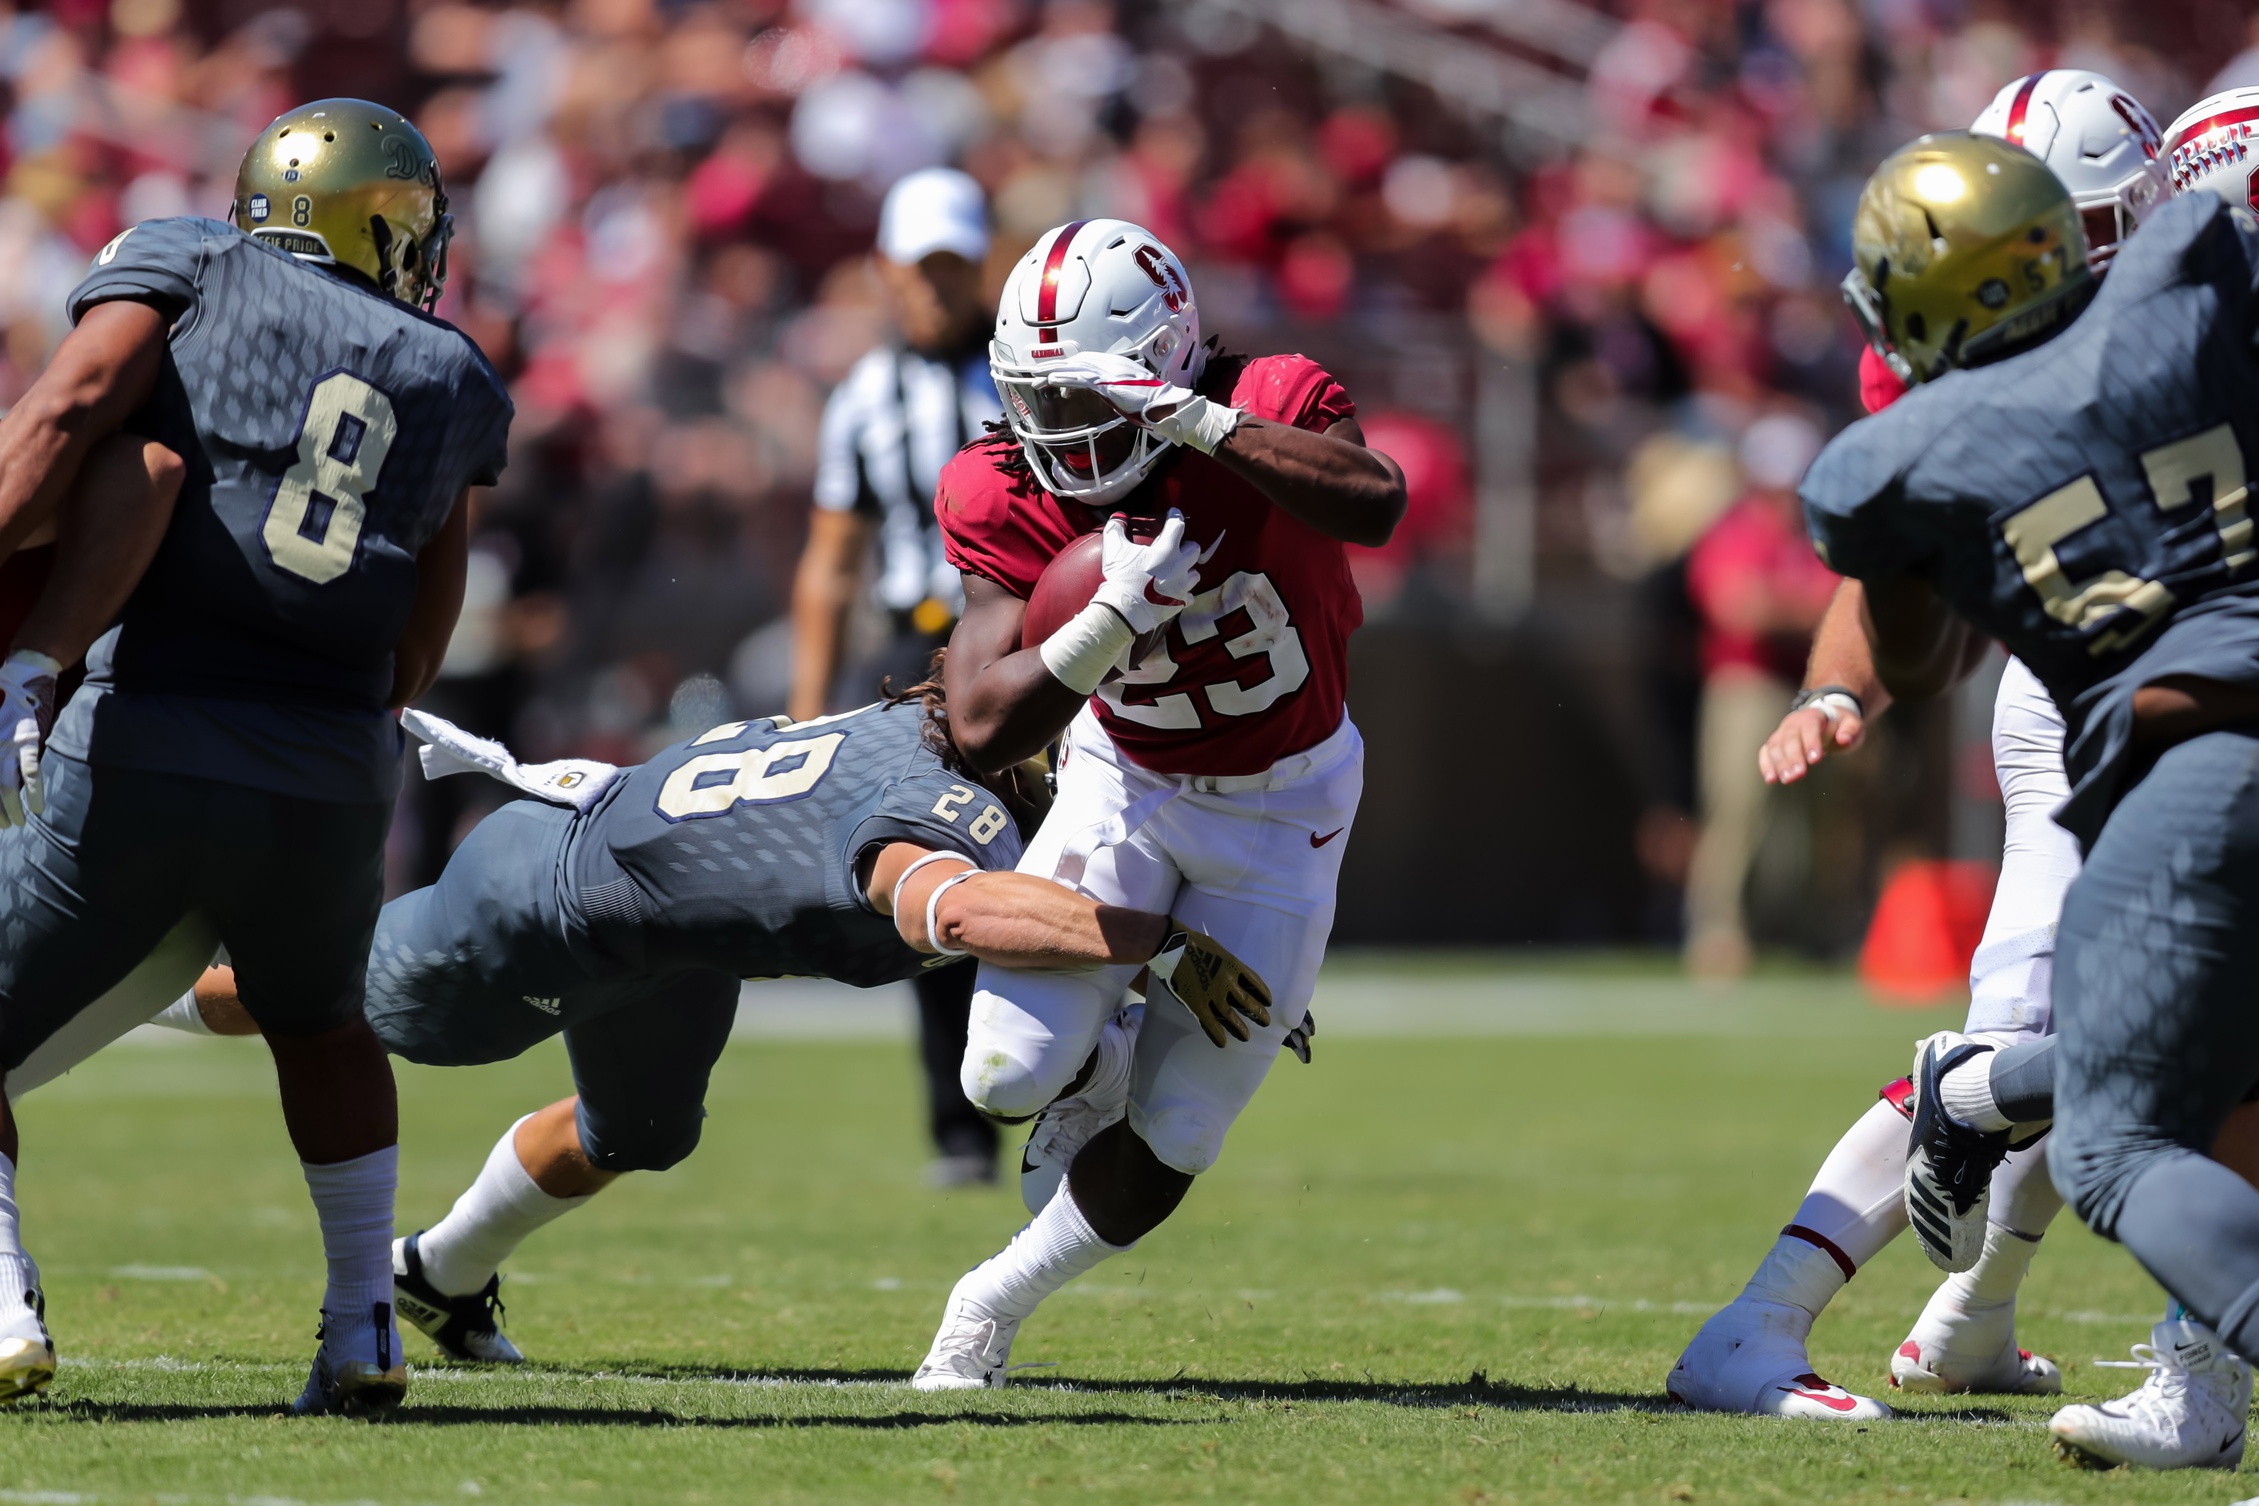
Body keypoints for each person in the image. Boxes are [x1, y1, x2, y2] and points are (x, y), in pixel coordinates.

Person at [129, 691, 1267, 1365]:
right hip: (551, 907)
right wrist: (1159, 941)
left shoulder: (903, 735)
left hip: (664, 938)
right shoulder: (943, 811)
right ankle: (112, 992)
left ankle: (437, 1274)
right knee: (304, 992)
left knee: (638, 1131)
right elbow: (963, 906)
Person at [1666, 68, 2169, 1425]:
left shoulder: (2187, 296)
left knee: (2123, 1035)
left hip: (2174, 683)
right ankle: (1755, 1320)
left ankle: (1969, 1313)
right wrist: (1841, 691)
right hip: (2093, 691)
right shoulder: (1974, 339)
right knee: (2052, 1045)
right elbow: (1899, 569)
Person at [0, 98, 510, 1416]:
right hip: (335, 757)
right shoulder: (455, 372)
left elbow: (68, 416)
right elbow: (427, 608)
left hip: (158, 726)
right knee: (322, 1025)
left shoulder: (188, 260)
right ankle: (362, 1330)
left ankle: (1, 1301)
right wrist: (349, 724)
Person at [1796, 129, 2259, 1474]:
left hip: (2195, 766)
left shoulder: (1891, 458)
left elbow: (1909, 658)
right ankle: (1996, 1085)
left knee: (2118, 1146)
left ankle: (1990, 1084)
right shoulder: (2183, 268)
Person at [907, 217, 1405, 1389]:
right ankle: (1107, 1048)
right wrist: (1109, 624)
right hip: (1121, 780)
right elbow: (981, 723)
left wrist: (1201, 427)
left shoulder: (1273, 397)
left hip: (1285, 807)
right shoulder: (996, 485)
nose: (1068, 436)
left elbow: (1375, 504)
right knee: (1003, 1077)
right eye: (1047, 400)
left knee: (1184, 1129)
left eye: (1097, 400)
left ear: (1166, 364)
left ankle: (990, 1303)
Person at [788, 166, 1007, 1188]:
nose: (936, 285)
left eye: (954, 264)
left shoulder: (1027, 377)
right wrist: (802, 717)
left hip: (1031, 653)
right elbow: (832, 563)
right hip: (918, 660)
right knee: (936, 889)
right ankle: (959, 1125)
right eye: (920, 267)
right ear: (884, 270)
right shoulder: (865, 397)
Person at [1680, 413, 1835, 978]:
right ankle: (1718, 929)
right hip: (1748, 685)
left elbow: (1840, 611)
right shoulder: (1737, 531)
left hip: (1809, 689)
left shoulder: (1816, 534)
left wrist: (1783, 607)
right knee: (1739, 807)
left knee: (1807, 821)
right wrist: (1804, 612)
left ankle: (1797, 927)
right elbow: (1738, 609)